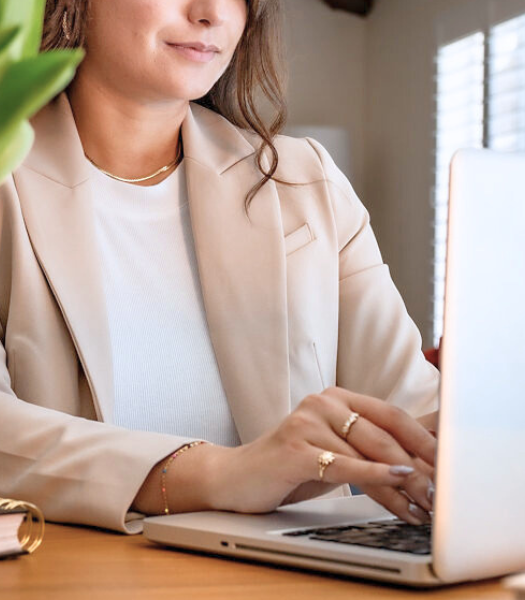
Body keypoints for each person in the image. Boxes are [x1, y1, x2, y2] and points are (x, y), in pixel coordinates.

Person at [0, 0, 439, 534]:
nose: (211, 13)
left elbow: (411, 409)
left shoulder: (307, 183)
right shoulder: (7, 184)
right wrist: (225, 473)